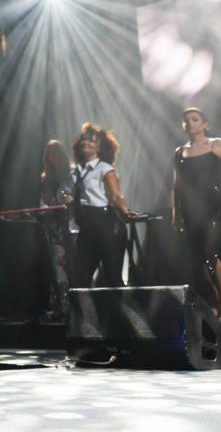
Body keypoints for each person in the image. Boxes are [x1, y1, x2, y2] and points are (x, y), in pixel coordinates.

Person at [172, 107, 221, 323]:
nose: (190, 123)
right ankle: (213, 301)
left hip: (216, 206)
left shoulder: (217, 144)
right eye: (186, 120)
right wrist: (176, 213)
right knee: (199, 258)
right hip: (191, 209)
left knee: (209, 252)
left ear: (205, 124)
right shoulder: (180, 152)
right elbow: (177, 186)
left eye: (195, 119)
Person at [68, 123, 140, 288]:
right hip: (86, 226)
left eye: (92, 140)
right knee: (80, 277)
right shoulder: (77, 170)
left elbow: (115, 196)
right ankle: (86, 306)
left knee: (112, 276)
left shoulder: (104, 168)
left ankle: (120, 305)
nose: (86, 142)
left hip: (107, 225)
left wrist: (125, 212)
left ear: (100, 147)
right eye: (84, 139)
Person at [36, 140, 75, 319]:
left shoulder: (73, 173)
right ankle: (61, 308)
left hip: (73, 226)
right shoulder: (45, 178)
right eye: (50, 153)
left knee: (73, 267)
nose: (54, 156)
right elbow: (44, 202)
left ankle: (76, 308)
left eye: (56, 151)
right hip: (52, 229)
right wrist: (42, 212)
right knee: (57, 269)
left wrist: (69, 203)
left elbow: (75, 197)